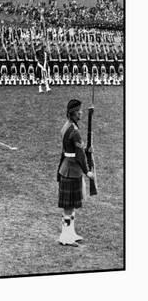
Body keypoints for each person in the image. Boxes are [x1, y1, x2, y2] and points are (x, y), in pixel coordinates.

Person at [56, 99, 95, 246]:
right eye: (79, 111)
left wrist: (85, 150)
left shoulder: (67, 126)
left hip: (67, 168)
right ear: (73, 113)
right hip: (72, 171)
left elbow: (72, 149)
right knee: (69, 206)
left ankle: (70, 233)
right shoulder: (74, 131)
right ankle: (65, 237)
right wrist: (87, 172)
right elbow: (78, 155)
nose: (81, 113)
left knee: (70, 205)